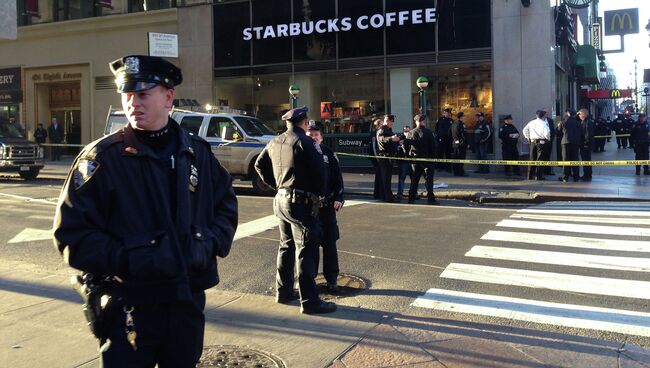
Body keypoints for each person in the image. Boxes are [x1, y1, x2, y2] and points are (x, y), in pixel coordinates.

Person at [53, 55, 238, 367]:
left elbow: (226, 206)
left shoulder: (197, 153)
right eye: (127, 95)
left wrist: (207, 243)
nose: (132, 103)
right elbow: (71, 234)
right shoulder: (102, 158)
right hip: (130, 305)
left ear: (168, 98)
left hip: (186, 302)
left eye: (142, 94)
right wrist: (132, 258)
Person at [255, 106, 337, 315]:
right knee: (307, 250)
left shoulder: (275, 141)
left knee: (286, 245)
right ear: (305, 122)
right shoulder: (306, 143)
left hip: (281, 200)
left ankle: (283, 291)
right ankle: (309, 301)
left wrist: (278, 186)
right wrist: (317, 194)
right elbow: (320, 176)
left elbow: (259, 164)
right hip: (300, 202)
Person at [307, 121, 344, 292]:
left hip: (327, 207)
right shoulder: (302, 153)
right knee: (311, 247)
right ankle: (310, 280)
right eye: (310, 134)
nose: (313, 137)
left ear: (321, 137)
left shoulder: (329, 154)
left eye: (316, 134)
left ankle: (332, 280)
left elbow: (338, 180)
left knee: (330, 246)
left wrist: (339, 198)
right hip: (309, 209)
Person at [406, 114, 437, 204]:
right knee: (429, 180)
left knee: (415, 180)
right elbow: (433, 146)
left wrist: (409, 156)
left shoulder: (411, 133)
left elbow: (406, 145)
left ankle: (411, 198)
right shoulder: (428, 132)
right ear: (423, 121)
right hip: (427, 159)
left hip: (415, 159)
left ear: (416, 122)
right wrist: (433, 158)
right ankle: (431, 198)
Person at [375, 114, 401, 203]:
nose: (392, 123)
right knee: (386, 178)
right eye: (392, 121)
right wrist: (391, 138)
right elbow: (382, 138)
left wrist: (398, 140)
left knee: (387, 177)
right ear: (388, 121)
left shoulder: (388, 129)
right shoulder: (383, 129)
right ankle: (388, 197)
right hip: (385, 156)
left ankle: (385, 196)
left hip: (388, 156)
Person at [522, 110, 551, 180]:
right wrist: (548, 139)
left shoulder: (531, 122)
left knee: (532, 159)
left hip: (532, 142)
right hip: (541, 142)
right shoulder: (544, 123)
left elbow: (524, 130)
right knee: (540, 159)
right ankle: (538, 176)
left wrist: (528, 138)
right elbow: (547, 133)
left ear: (536, 115)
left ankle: (529, 176)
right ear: (544, 116)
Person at [556, 108, 582, 182]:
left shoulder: (563, 122)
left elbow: (558, 132)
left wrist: (558, 126)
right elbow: (581, 132)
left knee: (565, 160)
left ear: (568, 113)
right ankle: (576, 177)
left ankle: (565, 177)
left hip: (565, 143)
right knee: (575, 160)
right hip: (575, 143)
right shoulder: (578, 123)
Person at [577, 108, 594, 182]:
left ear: (583, 114)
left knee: (586, 160)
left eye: (580, 114)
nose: (579, 116)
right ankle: (586, 174)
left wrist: (586, 143)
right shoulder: (583, 121)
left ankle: (587, 175)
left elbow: (588, 134)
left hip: (586, 144)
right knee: (585, 160)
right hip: (584, 144)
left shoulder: (587, 122)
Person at [433, 108, 453, 172]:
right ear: (444, 113)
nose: (448, 114)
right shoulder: (440, 120)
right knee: (440, 154)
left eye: (449, 113)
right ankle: (439, 166)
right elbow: (436, 129)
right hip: (441, 139)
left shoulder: (451, 120)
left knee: (448, 154)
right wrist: (437, 137)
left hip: (449, 140)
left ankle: (448, 167)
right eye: (447, 113)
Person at [396, 125, 413, 199]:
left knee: (413, 178)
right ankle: (400, 194)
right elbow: (397, 150)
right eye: (405, 131)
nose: (406, 132)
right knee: (402, 178)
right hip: (403, 161)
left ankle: (413, 194)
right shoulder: (400, 138)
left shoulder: (411, 138)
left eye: (408, 131)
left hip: (410, 161)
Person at [449, 111, 468, 176]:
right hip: (460, 143)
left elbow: (449, 133)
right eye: (464, 116)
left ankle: (455, 172)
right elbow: (463, 134)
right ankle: (460, 172)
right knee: (461, 158)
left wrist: (454, 140)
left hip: (454, 142)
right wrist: (465, 142)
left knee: (455, 157)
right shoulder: (461, 124)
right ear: (461, 117)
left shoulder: (453, 123)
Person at [370, 118, 383, 199]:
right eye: (381, 124)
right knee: (379, 176)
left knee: (379, 176)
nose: (382, 126)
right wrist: (377, 158)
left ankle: (378, 193)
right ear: (377, 125)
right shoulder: (374, 134)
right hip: (376, 159)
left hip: (377, 158)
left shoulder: (378, 133)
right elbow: (374, 147)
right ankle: (378, 193)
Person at [543, 109, 556, 175]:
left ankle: (547, 171)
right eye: (545, 112)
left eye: (547, 113)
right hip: (541, 141)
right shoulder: (538, 121)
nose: (546, 114)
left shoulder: (550, 120)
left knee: (548, 156)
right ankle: (541, 171)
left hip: (549, 141)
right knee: (541, 156)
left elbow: (552, 130)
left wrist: (552, 138)